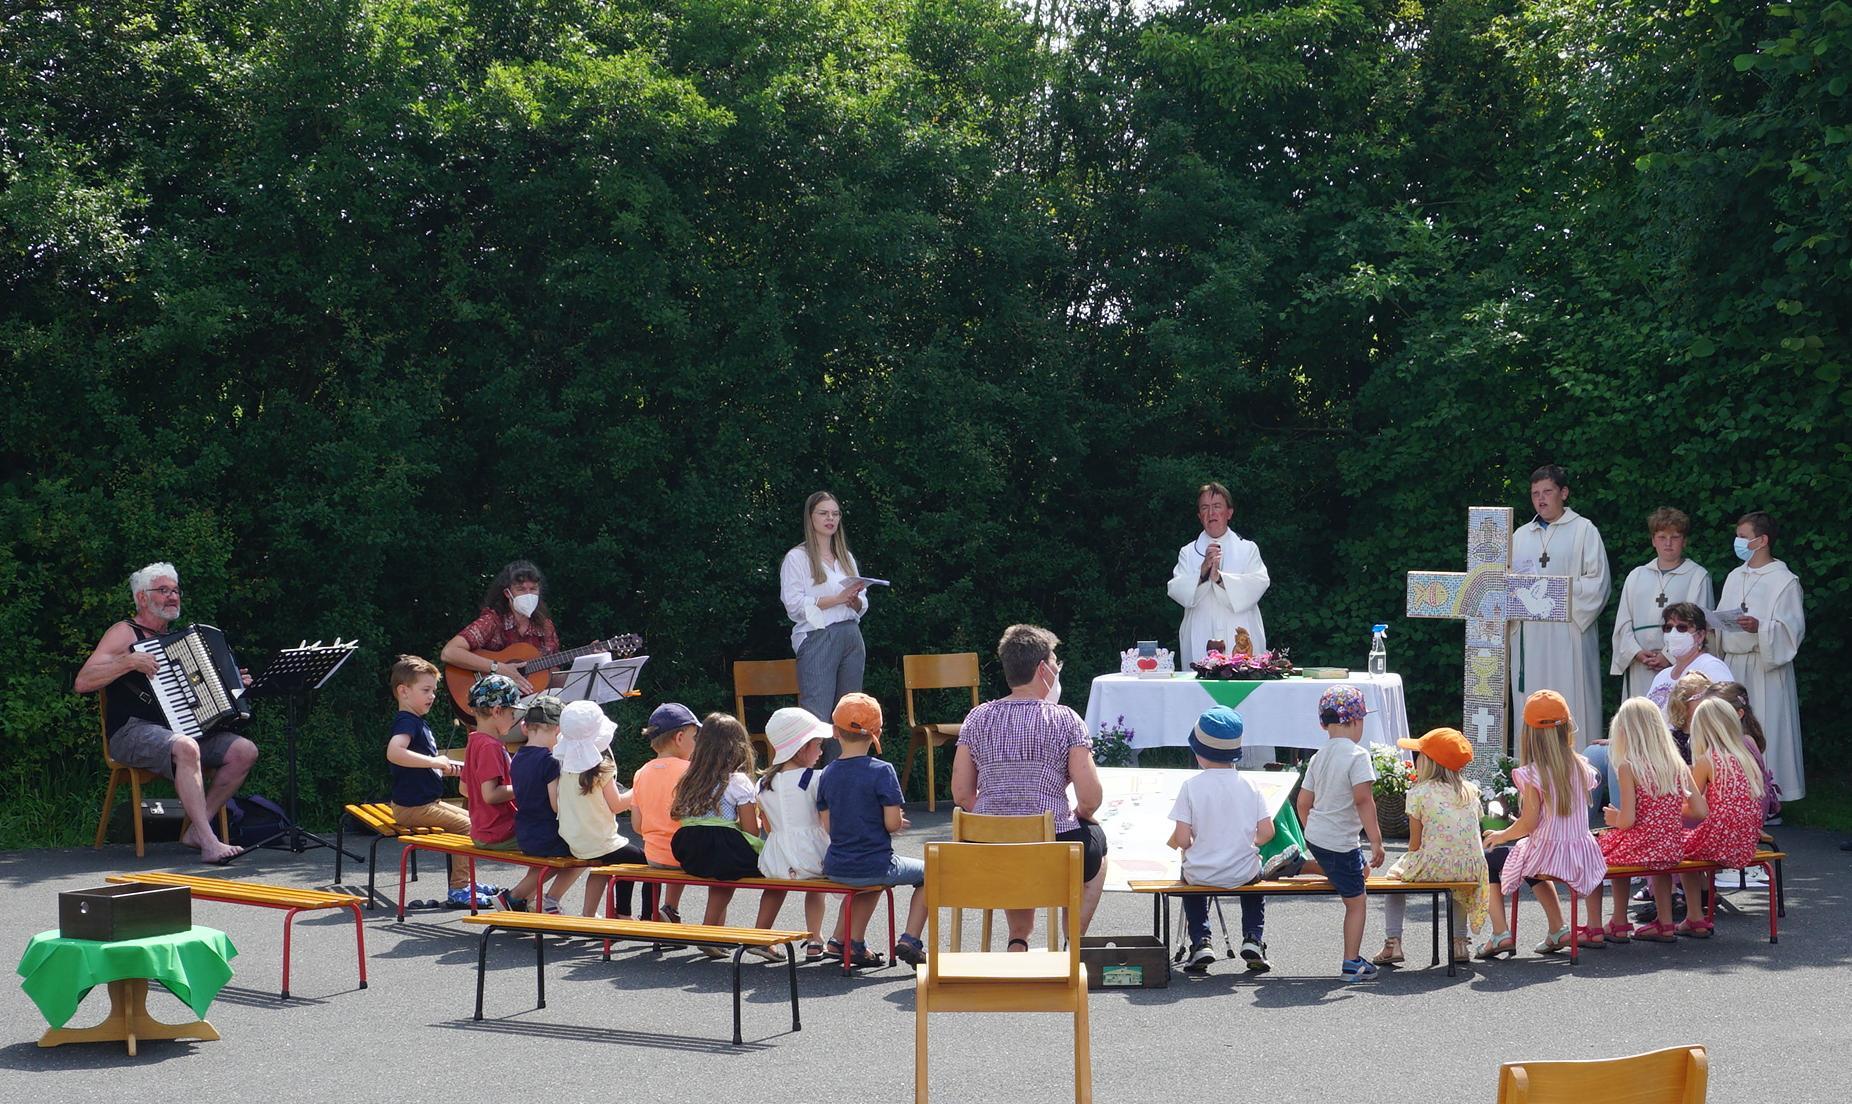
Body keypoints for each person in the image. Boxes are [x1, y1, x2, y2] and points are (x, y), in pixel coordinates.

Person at [74, 562, 258, 863]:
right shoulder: (124, 632)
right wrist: (128, 662)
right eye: (162, 590)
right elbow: (83, 682)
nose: (172, 596)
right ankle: (210, 842)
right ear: (142, 598)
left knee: (244, 751)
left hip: (181, 731)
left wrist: (233, 683)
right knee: (185, 747)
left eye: (175, 591)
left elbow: (201, 692)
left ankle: (198, 831)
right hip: (131, 732)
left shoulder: (181, 641)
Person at [950, 624, 1108, 947]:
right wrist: (1079, 813)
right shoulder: (1066, 720)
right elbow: (1090, 799)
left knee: (1012, 846)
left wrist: (999, 817)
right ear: (1042, 669)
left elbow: (962, 794)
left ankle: (1018, 938)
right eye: (1054, 663)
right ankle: (1071, 942)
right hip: (1052, 853)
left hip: (986, 853)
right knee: (1098, 847)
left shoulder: (977, 718)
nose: (1056, 668)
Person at [1482, 690, 1605, 955]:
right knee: (1526, 856)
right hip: (1581, 853)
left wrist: (1500, 836)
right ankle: (1557, 928)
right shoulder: (1582, 766)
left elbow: (1527, 825)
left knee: (1491, 858)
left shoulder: (1532, 774)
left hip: (1548, 854)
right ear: (1567, 729)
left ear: (1529, 733)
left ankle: (1500, 932)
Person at [1373, 727, 1506, 965]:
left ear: (1429, 762)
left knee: (1392, 882)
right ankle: (1459, 943)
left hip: (1434, 864)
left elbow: (1414, 845)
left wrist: (1411, 860)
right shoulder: (1470, 791)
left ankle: (1393, 943)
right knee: (1458, 886)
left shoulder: (1419, 793)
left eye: (1420, 754)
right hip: (1471, 866)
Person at [817, 695, 929, 968]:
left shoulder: (828, 773)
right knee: (932, 871)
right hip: (875, 864)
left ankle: (849, 942)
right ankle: (910, 939)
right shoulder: (882, 771)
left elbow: (829, 826)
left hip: (837, 865)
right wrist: (894, 820)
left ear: (834, 732)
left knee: (866, 883)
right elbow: (891, 824)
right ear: (877, 733)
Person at [1509, 465, 1611, 748]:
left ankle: (1578, 780)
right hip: (1530, 638)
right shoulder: (1519, 536)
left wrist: (1552, 594)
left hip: (1569, 635)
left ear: (1563, 493)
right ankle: (1530, 780)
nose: (1540, 499)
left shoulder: (1584, 531)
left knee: (1571, 701)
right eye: (1535, 494)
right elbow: (1508, 586)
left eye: (1547, 492)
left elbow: (1597, 584)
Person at [1166, 707, 1273, 974]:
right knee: (1254, 880)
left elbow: (1182, 838)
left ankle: (1201, 940)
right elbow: (1267, 832)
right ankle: (1253, 938)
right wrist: (1249, 843)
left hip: (1202, 871)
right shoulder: (1251, 784)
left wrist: (1194, 845)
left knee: (1189, 878)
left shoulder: (1191, 786)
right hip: (1241, 870)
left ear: (1199, 753)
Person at [1585, 698, 1699, 945]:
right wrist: (1665, 818)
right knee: (1657, 866)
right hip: (1670, 845)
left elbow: (1627, 821)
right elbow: (1700, 810)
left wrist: (1615, 817)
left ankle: (1613, 921)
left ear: (1625, 731)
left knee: (1594, 855)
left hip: (1643, 843)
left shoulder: (1629, 766)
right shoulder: (1677, 764)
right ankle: (1665, 923)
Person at [1294, 686, 1385, 982]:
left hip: (1318, 835)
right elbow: (1363, 800)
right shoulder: (1358, 755)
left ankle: (1308, 863)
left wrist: (1316, 832)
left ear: (1323, 724)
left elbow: (1303, 803)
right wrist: (1376, 841)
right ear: (1357, 720)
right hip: (1340, 842)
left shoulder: (1319, 756)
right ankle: (1351, 962)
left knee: (1358, 870)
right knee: (1357, 901)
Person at [382, 655, 488, 908]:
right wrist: (436, 762)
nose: (432, 696)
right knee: (469, 827)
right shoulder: (407, 721)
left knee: (474, 817)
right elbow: (394, 752)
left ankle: (465, 882)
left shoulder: (416, 721)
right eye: (426, 690)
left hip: (423, 803)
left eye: (434, 690)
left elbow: (419, 764)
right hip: (412, 808)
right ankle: (460, 889)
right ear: (404, 692)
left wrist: (450, 767)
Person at [1717, 511, 1805, 802]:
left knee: (1766, 729)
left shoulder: (1784, 581)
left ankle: (1770, 800)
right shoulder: (1734, 576)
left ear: (1762, 540)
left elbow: (1792, 631)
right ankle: (1736, 796)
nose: (1738, 542)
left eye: (1743, 537)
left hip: (1764, 667)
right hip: (1734, 666)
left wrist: (1760, 627)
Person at [779, 491, 869, 763]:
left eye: (835, 513)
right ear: (811, 517)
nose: (830, 518)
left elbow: (862, 605)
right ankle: (810, 782)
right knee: (816, 715)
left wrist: (853, 601)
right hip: (818, 637)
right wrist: (835, 599)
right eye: (823, 513)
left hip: (851, 635)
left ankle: (841, 779)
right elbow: (793, 604)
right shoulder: (797, 558)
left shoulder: (846, 558)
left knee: (849, 715)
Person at [669, 713, 766, 950]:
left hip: (689, 848)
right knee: (729, 869)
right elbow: (751, 831)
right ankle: (708, 930)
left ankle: (717, 934)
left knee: (722, 864)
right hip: (721, 847)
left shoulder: (688, 778)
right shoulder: (738, 781)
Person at [461, 686, 559, 912]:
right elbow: (490, 794)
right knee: (560, 846)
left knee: (545, 842)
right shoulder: (490, 746)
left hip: (482, 828)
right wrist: (526, 786)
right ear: (497, 711)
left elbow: (464, 788)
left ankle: (525, 899)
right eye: (512, 713)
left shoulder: (475, 740)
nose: (515, 719)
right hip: (498, 830)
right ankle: (514, 898)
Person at [1677, 698, 1766, 935]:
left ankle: (1694, 916)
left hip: (1721, 840)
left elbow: (1691, 807)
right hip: (1745, 842)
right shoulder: (1747, 758)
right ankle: (1704, 900)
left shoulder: (1707, 760)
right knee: (1694, 841)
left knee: (1679, 849)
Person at [754, 707, 835, 963]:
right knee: (816, 887)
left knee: (776, 886)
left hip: (776, 856)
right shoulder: (816, 778)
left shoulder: (763, 783)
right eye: (818, 745)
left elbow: (767, 826)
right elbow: (825, 821)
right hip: (813, 854)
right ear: (801, 749)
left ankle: (760, 935)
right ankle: (814, 939)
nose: (821, 752)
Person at [554, 700, 648, 920]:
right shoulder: (601, 768)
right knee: (637, 859)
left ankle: (589, 914)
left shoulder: (564, 762)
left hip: (575, 837)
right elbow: (617, 805)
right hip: (598, 840)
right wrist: (640, 789)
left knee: (604, 863)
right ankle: (622, 913)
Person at [1611, 508, 1716, 699]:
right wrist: (1636, 652)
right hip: (1640, 665)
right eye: (1661, 537)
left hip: (1680, 665)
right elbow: (1623, 623)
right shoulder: (1637, 576)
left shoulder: (1697, 576)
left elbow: (1699, 624)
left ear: (1684, 541)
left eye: (1675, 537)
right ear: (1653, 540)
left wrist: (1667, 656)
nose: (1668, 543)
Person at [1166, 482, 1269, 664]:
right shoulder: (1188, 552)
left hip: (1241, 632)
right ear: (1199, 516)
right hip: (1199, 630)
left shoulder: (1248, 549)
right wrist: (1203, 573)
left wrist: (1220, 579)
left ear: (1229, 513)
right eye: (1205, 508)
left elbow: (1259, 583)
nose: (1211, 513)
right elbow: (1176, 589)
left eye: (1217, 507)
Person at [440, 560, 561, 695]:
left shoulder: (545, 627)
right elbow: (449, 652)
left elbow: (552, 671)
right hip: (491, 698)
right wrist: (499, 668)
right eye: (521, 589)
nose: (528, 594)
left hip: (531, 696)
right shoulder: (493, 621)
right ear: (507, 593)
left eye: (533, 589)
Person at [509, 699, 583, 913]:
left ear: (525, 726)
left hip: (526, 832)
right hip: (547, 835)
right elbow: (555, 805)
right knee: (586, 853)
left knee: (546, 860)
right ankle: (530, 898)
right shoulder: (550, 760)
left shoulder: (518, 757)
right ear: (559, 729)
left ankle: (527, 899)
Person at [631, 703, 698, 922]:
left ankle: (665, 910)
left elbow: (636, 825)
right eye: (694, 737)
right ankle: (670, 907)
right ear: (679, 738)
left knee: (672, 850)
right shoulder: (689, 772)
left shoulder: (641, 773)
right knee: (688, 844)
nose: (696, 744)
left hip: (653, 856)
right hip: (682, 856)